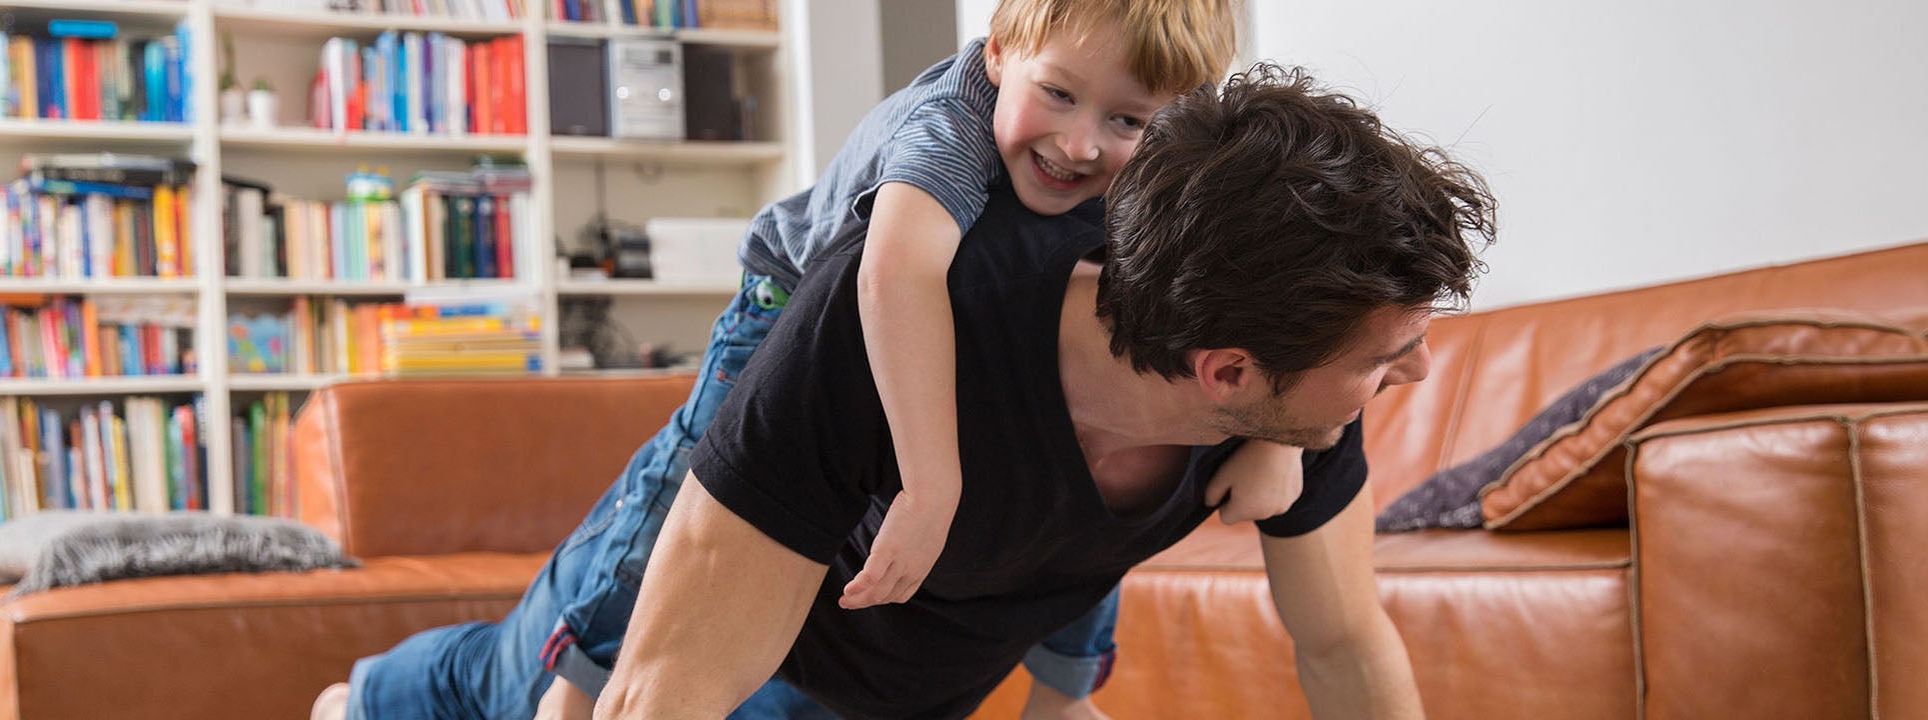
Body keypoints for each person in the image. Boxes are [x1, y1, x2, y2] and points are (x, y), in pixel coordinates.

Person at [313, 2, 1266, 719]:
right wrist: (929, 485)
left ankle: (1065, 687)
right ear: (999, 55)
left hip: (962, 346)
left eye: (1128, 122)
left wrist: (1277, 438)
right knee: (686, 496)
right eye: (1057, 94)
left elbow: (1264, 300)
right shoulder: (948, 130)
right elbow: (892, 277)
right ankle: (578, 663)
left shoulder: (1150, 178)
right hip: (789, 316)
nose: (1079, 142)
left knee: (1080, 500)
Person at [591, 66, 1494, 719]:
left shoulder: (1286, 403)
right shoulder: (894, 319)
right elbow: (666, 690)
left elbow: (1342, 645)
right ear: (1225, 371)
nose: (1415, 372)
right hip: (751, 686)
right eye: (1390, 358)